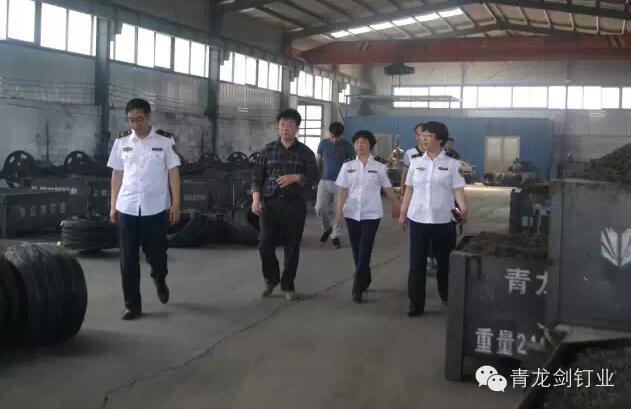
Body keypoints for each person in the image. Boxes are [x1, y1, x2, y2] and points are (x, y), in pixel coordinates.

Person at [107, 98, 181, 320]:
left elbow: (173, 171)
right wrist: (113, 205)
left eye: (139, 119)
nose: (135, 124)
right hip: (127, 207)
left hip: (155, 209)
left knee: (157, 255)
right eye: (131, 120)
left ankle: (159, 278)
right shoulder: (122, 141)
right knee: (127, 259)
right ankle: (132, 305)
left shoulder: (164, 140)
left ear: (148, 117)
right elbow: (117, 173)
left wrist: (176, 203)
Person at [399, 121, 468, 317]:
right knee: (417, 264)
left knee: (445, 263)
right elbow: (409, 190)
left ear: (440, 139)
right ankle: (416, 303)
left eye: (428, 136)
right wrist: (403, 214)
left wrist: (464, 208)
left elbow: (458, 190)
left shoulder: (453, 165)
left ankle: (446, 296)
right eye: (422, 136)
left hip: (443, 220)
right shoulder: (415, 163)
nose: (423, 139)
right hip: (418, 219)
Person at [251, 108, 318, 301]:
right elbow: (257, 176)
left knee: (292, 246)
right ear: (278, 127)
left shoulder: (305, 153)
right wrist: (256, 199)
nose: (285, 129)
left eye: (289, 125)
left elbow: (314, 177)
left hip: (294, 205)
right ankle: (271, 279)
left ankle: (288, 285)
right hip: (270, 204)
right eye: (282, 125)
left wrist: (297, 178)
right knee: (264, 244)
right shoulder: (268, 150)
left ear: (297, 128)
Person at [335, 130, 400, 303]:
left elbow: (387, 188)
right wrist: (339, 210)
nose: (360, 145)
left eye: (363, 142)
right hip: (352, 213)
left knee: (365, 248)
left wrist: (397, 205)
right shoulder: (347, 166)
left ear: (370, 145)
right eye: (357, 142)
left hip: (372, 213)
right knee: (356, 249)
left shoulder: (379, 166)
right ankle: (365, 277)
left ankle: (357, 287)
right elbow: (343, 190)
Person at [315, 122, 355, 249]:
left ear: (341, 135)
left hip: (341, 184)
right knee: (320, 208)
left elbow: (353, 164)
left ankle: (335, 236)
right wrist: (315, 177)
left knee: (338, 210)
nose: (333, 139)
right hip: (324, 181)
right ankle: (328, 228)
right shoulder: (323, 144)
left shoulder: (347, 146)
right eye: (331, 136)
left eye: (336, 137)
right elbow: (317, 160)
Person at [400, 123, 425, 196]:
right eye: (419, 135)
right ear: (416, 136)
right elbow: (404, 174)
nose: (423, 137)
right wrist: (402, 192)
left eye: (425, 135)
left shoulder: (434, 153)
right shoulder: (410, 153)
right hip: (413, 192)